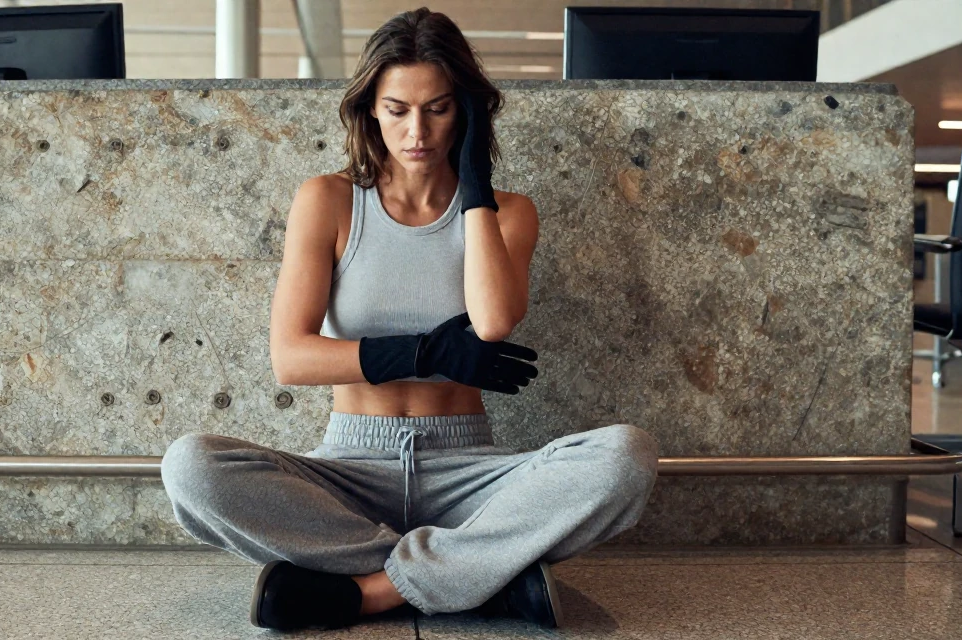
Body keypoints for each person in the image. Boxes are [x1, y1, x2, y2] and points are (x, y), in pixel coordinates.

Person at [161, 7, 659, 632]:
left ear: (468, 111)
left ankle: (366, 592)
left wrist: (473, 177)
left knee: (626, 456)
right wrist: (424, 352)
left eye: (439, 109)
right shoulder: (329, 200)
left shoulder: (507, 213)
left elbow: (496, 319)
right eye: (397, 109)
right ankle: (481, 575)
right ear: (370, 107)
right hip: (349, 471)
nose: (416, 130)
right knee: (190, 466)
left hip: (469, 472)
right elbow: (291, 357)